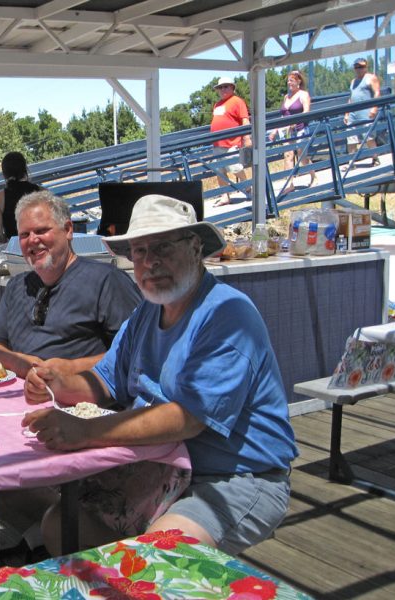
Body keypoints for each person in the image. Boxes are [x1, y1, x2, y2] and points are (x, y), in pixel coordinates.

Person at [23, 194, 298, 557]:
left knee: (156, 556)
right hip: (158, 470)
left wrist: (87, 431)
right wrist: (55, 382)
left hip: (231, 477)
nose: (150, 262)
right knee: (59, 526)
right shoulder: (146, 314)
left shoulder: (227, 313)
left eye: (163, 247)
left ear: (195, 248)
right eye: (139, 251)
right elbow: (104, 382)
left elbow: (187, 417)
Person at [0, 190, 141, 380]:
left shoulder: (107, 281)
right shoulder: (17, 286)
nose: (33, 240)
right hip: (22, 398)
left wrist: (69, 368)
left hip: (81, 403)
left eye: (41, 231)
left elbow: (134, 352)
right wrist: (26, 364)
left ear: (68, 230)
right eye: (24, 234)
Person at [269, 70, 316, 193]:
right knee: (288, 155)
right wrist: (275, 130)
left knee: (302, 155)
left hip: (300, 128)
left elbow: (306, 111)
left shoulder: (303, 94)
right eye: (288, 80)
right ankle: (289, 184)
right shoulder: (286, 97)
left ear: (298, 81)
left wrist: (296, 121)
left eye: (292, 80)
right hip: (286, 131)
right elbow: (283, 116)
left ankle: (313, 176)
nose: (289, 82)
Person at [210, 77, 252, 207]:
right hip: (217, 143)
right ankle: (225, 196)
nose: (223, 89)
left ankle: (248, 187)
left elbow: (245, 120)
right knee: (219, 170)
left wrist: (247, 138)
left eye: (226, 86)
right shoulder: (217, 105)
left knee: (234, 167)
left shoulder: (237, 101)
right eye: (220, 87)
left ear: (232, 88)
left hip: (231, 142)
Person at [0, 151, 42, 244]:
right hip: (40, 243)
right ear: (25, 169)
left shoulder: (0, 198)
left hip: (15, 248)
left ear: (4, 173)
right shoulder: (42, 192)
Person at [344, 58, 382, 163]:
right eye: (356, 67)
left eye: (361, 67)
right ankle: (351, 162)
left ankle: (375, 158)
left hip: (366, 114)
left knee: (369, 138)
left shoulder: (371, 78)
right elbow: (351, 98)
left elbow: (377, 93)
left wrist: (374, 108)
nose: (358, 69)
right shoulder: (353, 81)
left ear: (366, 67)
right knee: (351, 139)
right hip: (353, 115)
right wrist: (346, 113)